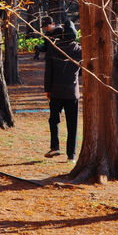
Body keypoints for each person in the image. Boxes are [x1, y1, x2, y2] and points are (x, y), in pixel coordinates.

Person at [44, 19, 82, 161]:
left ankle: (55, 147)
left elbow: (49, 71)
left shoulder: (54, 48)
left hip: (56, 91)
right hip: (73, 92)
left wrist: (47, 89)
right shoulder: (78, 49)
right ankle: (71, 155)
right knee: (73, 125)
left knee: (54, 121)